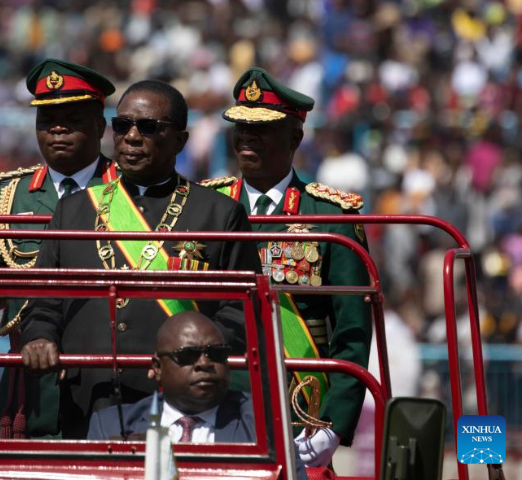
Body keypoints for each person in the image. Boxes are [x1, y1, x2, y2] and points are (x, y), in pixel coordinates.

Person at [20, 80, 260, 438]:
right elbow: (44, 301)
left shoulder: (219, 214)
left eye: (148, 127)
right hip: (88, 395)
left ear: (180, 140)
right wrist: (40, 336)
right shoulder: (72, 211)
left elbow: (240, 312)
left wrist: (192, 357)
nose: (131, 137)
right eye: (122, 125)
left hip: (178, 407)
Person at [202, 67, 371, 466]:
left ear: (295, 137)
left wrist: (333, 424)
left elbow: (353, 329)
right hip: (214, 398)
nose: (246, 138)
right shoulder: (207, 206)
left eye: (261, 129)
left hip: (298, 408)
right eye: (241, 127)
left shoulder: (330, 215)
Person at [0, 59, 117, 438]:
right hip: (31, 382)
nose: (57, 130)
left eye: (72, 119)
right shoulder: (7, 196)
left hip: (111, 373)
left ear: (99, 126)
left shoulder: (130, 192)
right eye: (47, 122)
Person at [88, 312, 308, 480]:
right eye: (188, 355)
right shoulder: (112, 426)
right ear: (157, 367)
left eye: (217, 353)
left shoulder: (264, 422)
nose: (204, 363)